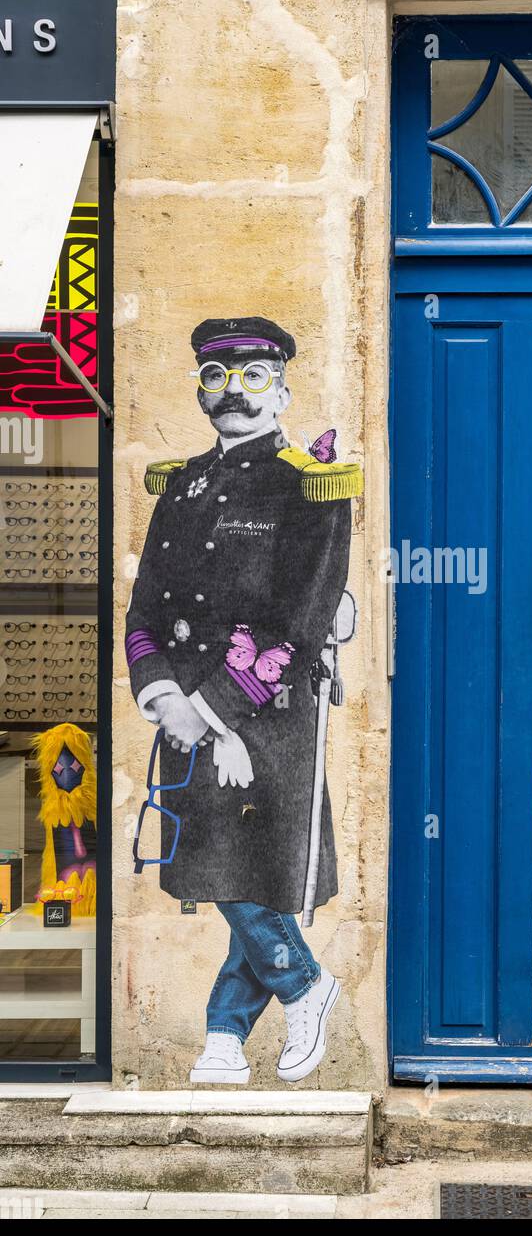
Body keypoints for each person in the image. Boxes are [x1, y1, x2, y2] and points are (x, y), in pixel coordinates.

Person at [125, 316, 362, 1084]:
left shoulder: (310, 484)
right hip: (184, 713)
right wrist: (165, 697)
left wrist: (213, 709)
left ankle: (272, 1002)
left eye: (253, 376)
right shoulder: (181, 485)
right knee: (222, 864)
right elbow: (144, 615)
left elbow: (300, 619)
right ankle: (260, 1014)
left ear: (282, 388)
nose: (233, 393)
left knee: (248, 866)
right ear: (200, 388)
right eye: (217, 377)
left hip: (268, 714)